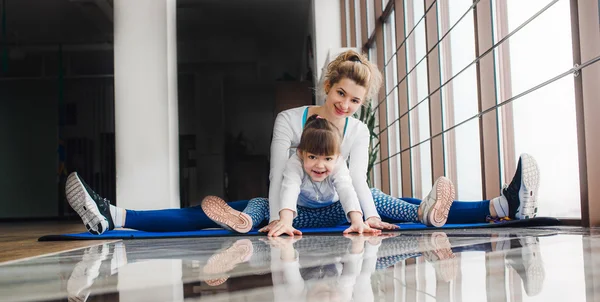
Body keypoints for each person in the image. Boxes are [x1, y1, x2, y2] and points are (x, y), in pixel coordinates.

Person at [65, 50, 539, 236]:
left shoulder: (358, 130)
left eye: (355, 101)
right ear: (326, 85)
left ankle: (502, 204)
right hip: (289, 204)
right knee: (237, 205)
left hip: (339, 206)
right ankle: (116, 215)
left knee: (389, 201)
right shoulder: (289, 121)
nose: (346, 107)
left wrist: (365, 218)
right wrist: (278, 219)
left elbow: (354, 180)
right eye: (340, 94)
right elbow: (278, 174)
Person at [200, 115, 385, 236]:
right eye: (312, 157)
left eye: (327, 158)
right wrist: (285, 223)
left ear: (336, 157)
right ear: (301, 152)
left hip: (334, 213)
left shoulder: (338, 163)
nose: (320, 165)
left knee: (373, 195)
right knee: (260, 203)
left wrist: (357, 222)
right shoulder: (294, 163)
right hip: (300, 216)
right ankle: (244, 221)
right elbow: (290, 188)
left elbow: (346, 189)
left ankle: (414, 211)